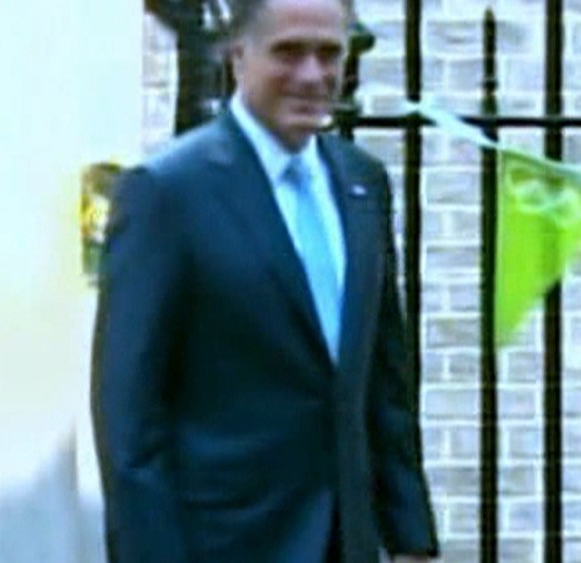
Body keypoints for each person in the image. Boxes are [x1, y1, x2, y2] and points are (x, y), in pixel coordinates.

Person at [91, 0, 439, 560]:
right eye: (289, 52)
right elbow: (130, 424)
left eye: (329, 54)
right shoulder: (168, 193)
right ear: (238, 55)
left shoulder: (362, 184)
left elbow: (384, 384)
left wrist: (411, 539)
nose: (313, 75)